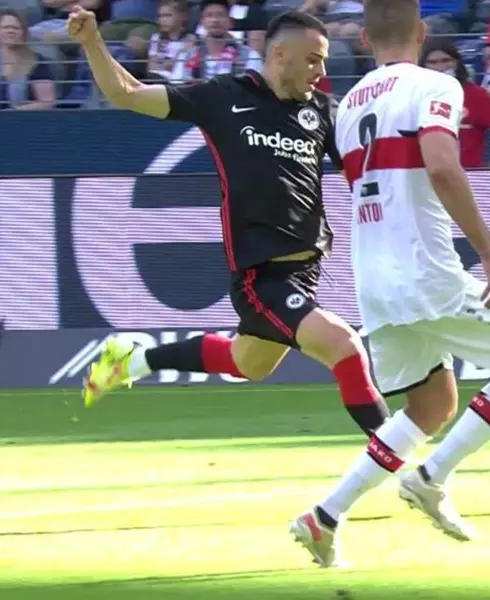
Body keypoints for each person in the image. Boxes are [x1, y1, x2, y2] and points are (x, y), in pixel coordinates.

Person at [289, 0, 490, 566]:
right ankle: (431, 477)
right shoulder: (434, 85)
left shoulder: (348, 107)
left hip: (375, 279)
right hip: (426, 270)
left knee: (431, 404)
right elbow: (440, 165)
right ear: (423, 31)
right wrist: (489, 253)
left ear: (363, 37)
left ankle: (325, 516)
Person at [68, 7, 392, 438]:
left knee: (248, 364)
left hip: (306, 272)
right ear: (280, 54)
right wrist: (91, 41)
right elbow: (126, 92)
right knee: (346, 349)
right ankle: (403, 465)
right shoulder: (224, 96)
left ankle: (133, 359)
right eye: (314, 58)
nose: (322, 69)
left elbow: (362, 173)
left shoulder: (322, 112)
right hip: (261, 276)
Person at [420, 37, 490, 169]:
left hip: (468, 176)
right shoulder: (416, 95)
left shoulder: (474, 94)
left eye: (446, 60)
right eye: (433, 62)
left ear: (457, 62)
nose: (440, 67)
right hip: (424, 176)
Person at [0, 9, 57, 110]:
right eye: (6, 27)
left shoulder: (36, 62)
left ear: (23, 33)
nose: (11, 31)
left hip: (22, 120)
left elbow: (47, 102)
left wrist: (17, 111)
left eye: (16, 28)